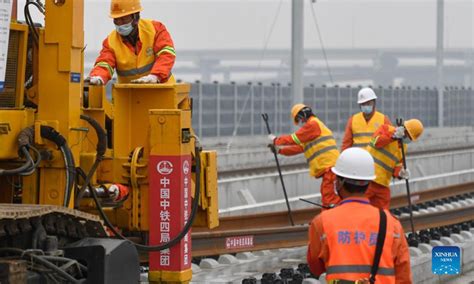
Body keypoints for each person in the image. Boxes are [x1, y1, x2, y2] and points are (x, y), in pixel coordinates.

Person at [307, 147, 412, 283]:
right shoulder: (391, 224)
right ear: (369, 183)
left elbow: (316, 268)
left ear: (339, 182)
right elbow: (403, 276)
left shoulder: (322, 222)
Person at [88, 0, 176, 85]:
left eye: (123, 19)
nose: (120, 24)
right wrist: (98, 77)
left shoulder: (155, 29)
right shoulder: (110, 42)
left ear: (136, 17)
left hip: (163, 91)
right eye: (116, 20)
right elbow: (105, 63)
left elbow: (166, 53)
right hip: (130, 95)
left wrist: (155, 76)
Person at [268, 104, 340, 207]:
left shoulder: (312, 125)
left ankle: (330, 220)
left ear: (302, 116)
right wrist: (280, 151)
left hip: (330, 169)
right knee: (328, 198)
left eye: (298, 120)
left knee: (330, 200)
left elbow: (294, 138)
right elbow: (299, 148)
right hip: (329, 168)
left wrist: (276, 140)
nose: (299, 124)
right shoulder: (312, 129)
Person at [365, 119, 424, 209]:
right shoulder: (386, 129)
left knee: (383, 213)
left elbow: (397, 165)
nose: (407, 138)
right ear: (403, 129)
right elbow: (375, 142)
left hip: (383, 183)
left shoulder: (404, 147)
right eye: (407, 135)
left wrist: (400, 173)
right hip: (367, 179)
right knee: (362, 207)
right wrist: (393, 136)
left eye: (410, 138)